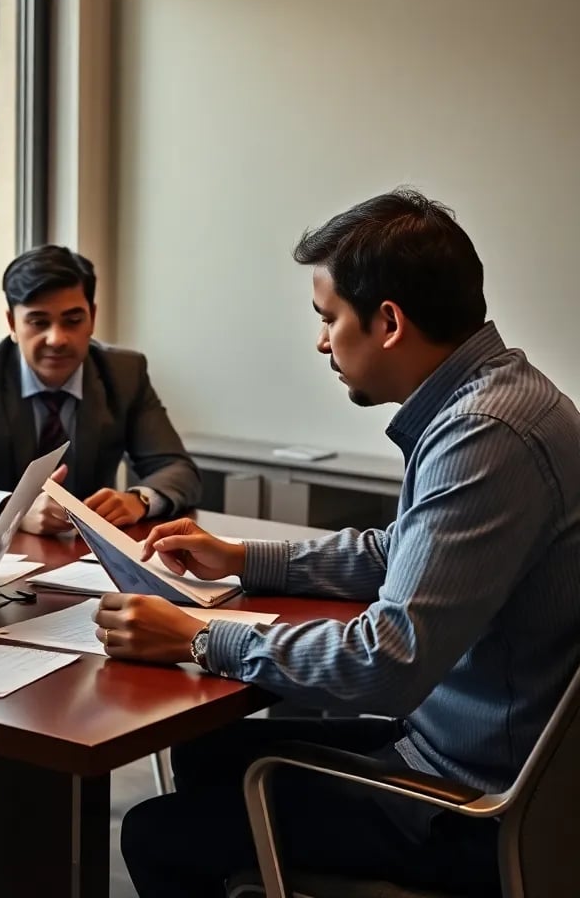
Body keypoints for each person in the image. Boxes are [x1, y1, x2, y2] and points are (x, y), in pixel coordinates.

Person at [92, 189, 580, 897]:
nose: (322, 342)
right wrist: (241, 557)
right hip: (483, 752)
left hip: (471, 805)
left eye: (328, 319)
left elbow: (388, 662)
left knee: (157, 835)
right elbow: (405, 552)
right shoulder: (501, 396)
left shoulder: (485, 436)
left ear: (387, 322)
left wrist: (198, 635)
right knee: (209, 757)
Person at [0, 244, 201, 534]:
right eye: (38, 322)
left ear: (92, 318)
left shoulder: (124, 373)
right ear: (12, 324)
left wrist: (140, 500)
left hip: (88, 556)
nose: (57, 339)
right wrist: (11, 508)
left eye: (72, 320)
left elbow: (178, 469)